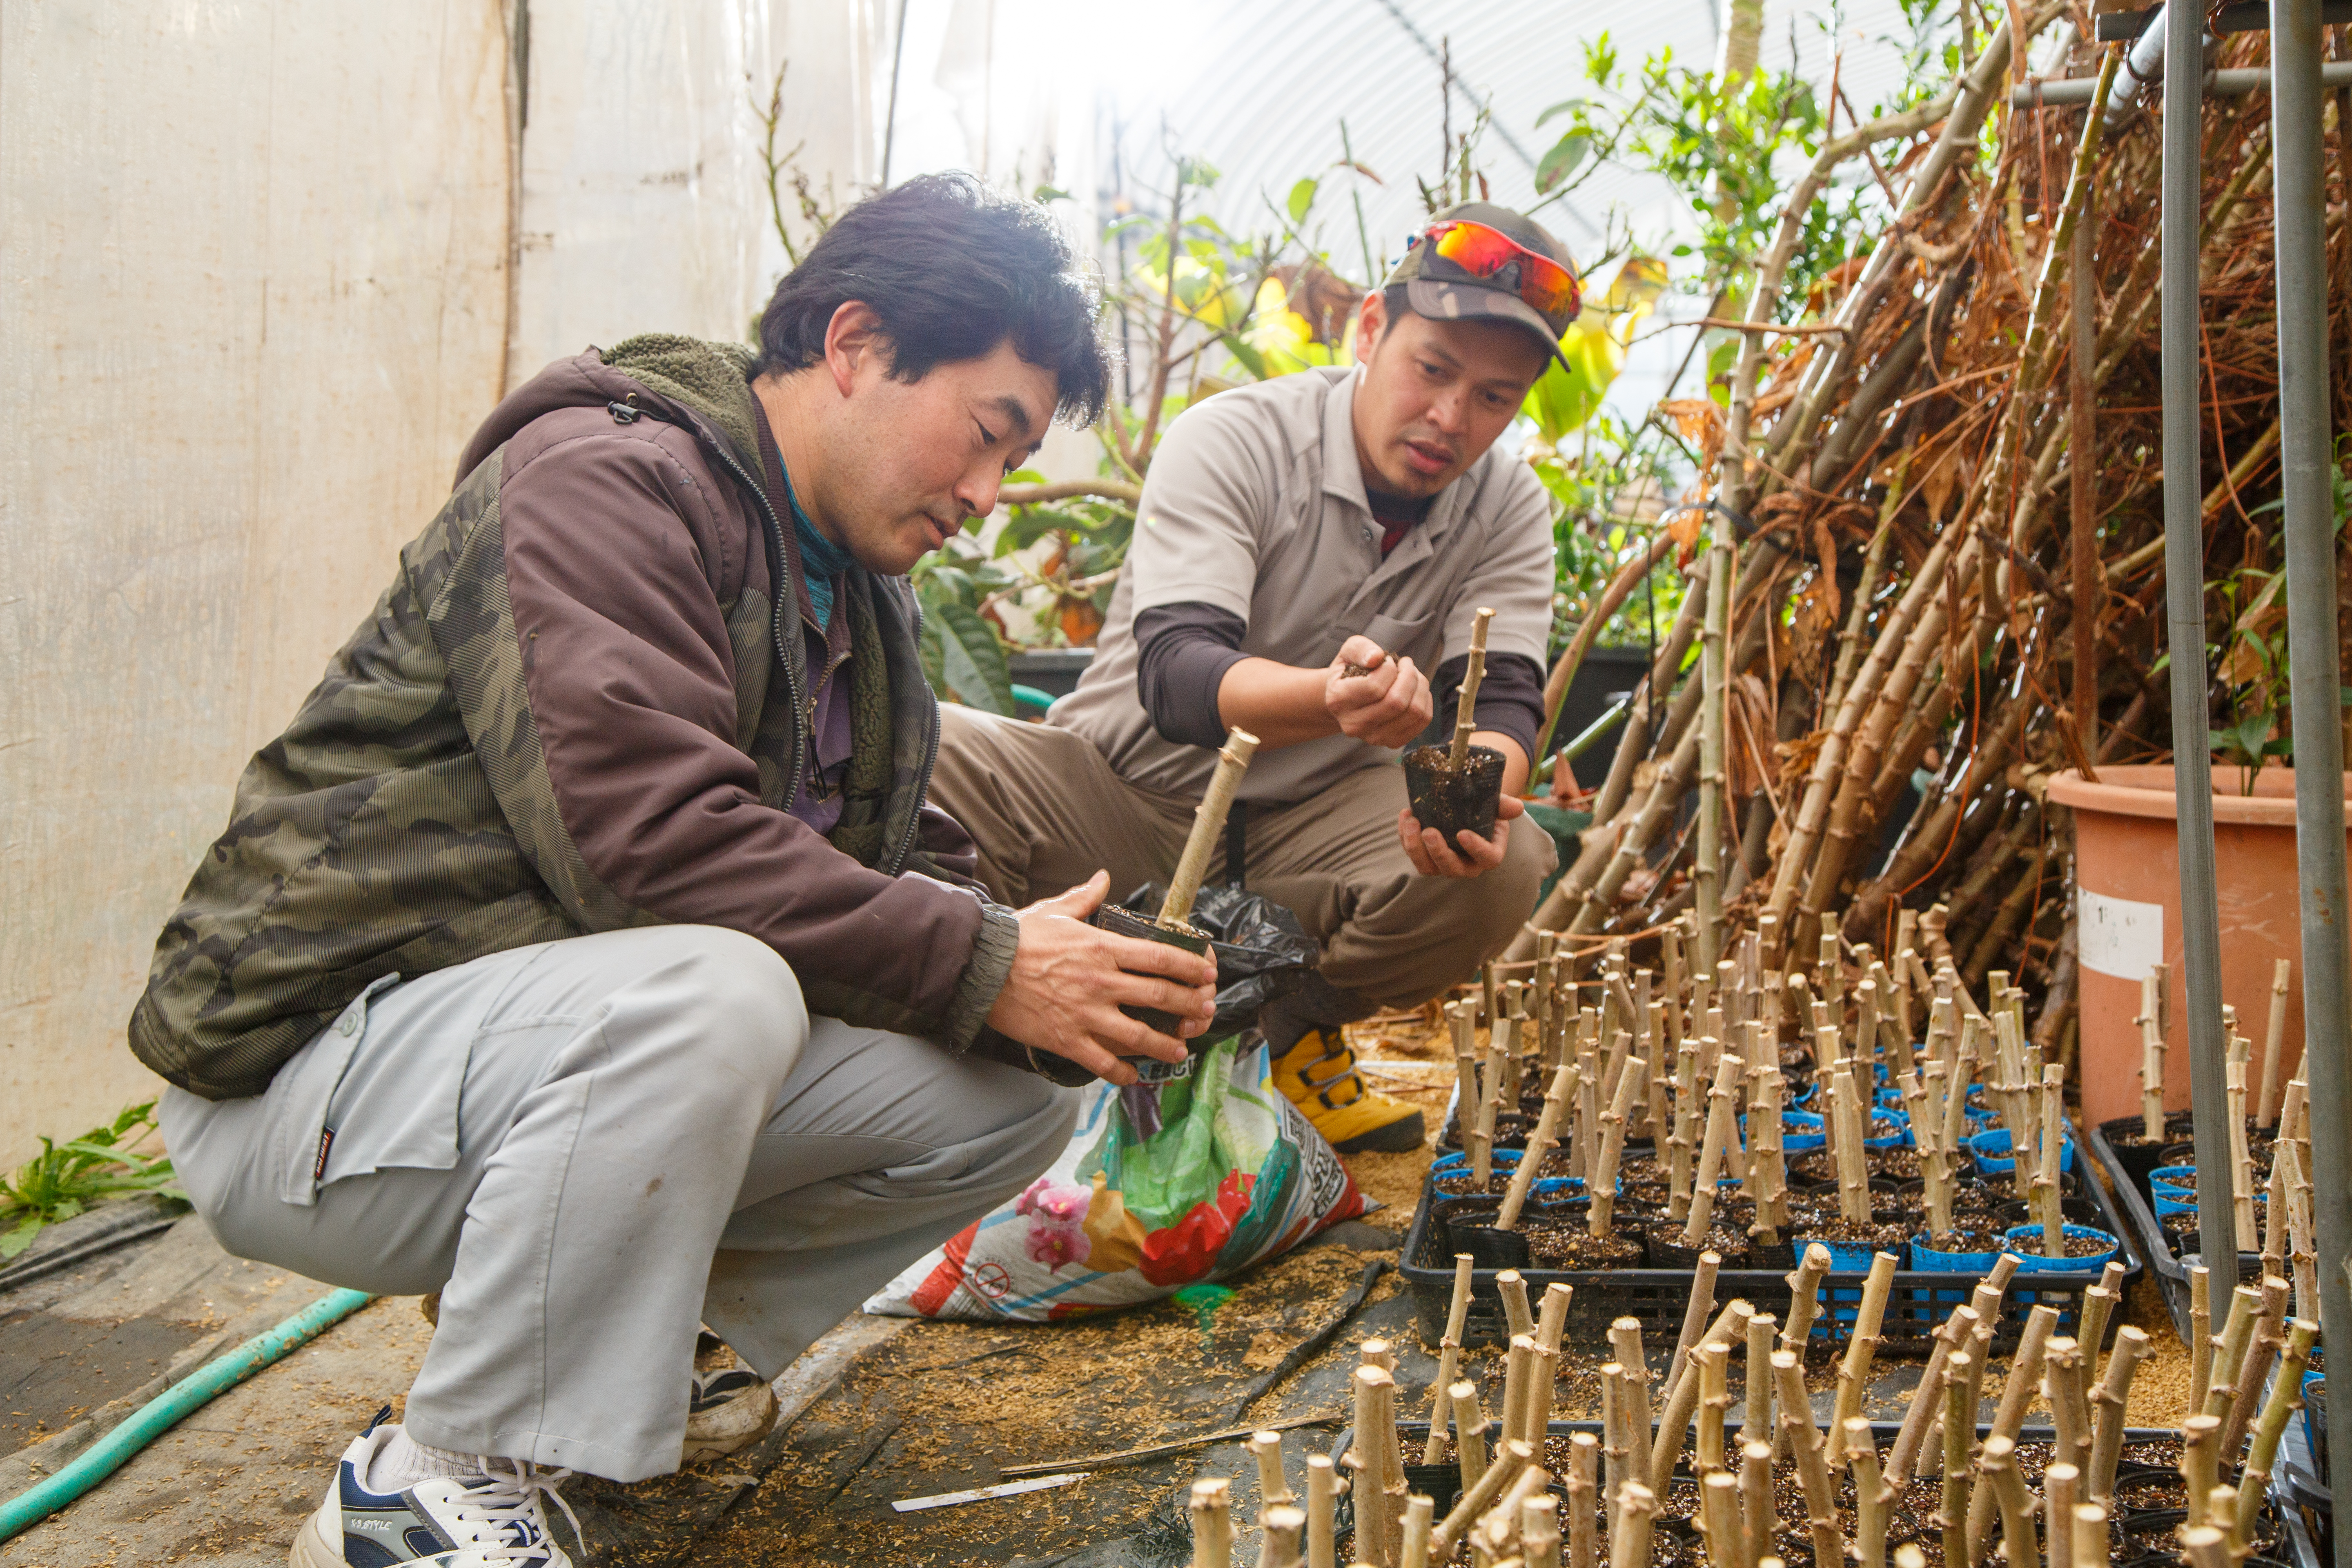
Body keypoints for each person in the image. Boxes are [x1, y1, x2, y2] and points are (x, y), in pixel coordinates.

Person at [128, 174, 1218, 1568]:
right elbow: (648, 847)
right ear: (855, 344)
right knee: (721, 989)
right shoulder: (605, 480)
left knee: (1009, 1079)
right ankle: (433, 1476)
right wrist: (986, 960)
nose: (987, 499)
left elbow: (876, 858)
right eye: (985, 437)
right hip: (312, 1083)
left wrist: (1058, 968)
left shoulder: (851, 594)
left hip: (501, 1067)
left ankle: (652, 1358)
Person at [931, 202, 1577, 1154]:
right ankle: (1008, 1061)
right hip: (1122, 803)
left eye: (1495, 397)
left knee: (1508, 860)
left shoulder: (1509, 506)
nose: (1451, 418)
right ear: (1370, 330)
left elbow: (1512, 699)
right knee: (933, 750)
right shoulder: (1236, 438)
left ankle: (1280, 1039)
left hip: (1308, 829)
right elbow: (1180, 678)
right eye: (1431, 370)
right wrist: (1333, 698)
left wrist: (1470, 806)